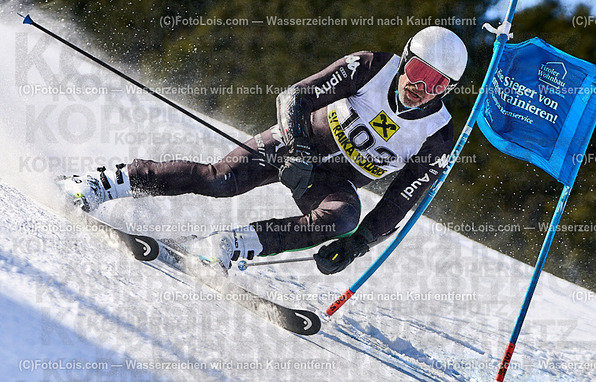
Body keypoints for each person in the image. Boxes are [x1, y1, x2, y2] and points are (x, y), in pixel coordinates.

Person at [58, 26, 468, 274]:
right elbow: (295, 97)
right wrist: (298, 151)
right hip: (294, 143)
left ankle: (226, 245)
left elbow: (400, 201)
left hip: (330, 181)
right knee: (219, 181)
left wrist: (359, 243)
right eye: (418, 72)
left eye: (437, 84)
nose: (421, 88)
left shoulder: (437, 136)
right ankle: (102, 183)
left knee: (344, 216)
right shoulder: (371, 67)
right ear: (405, 59)